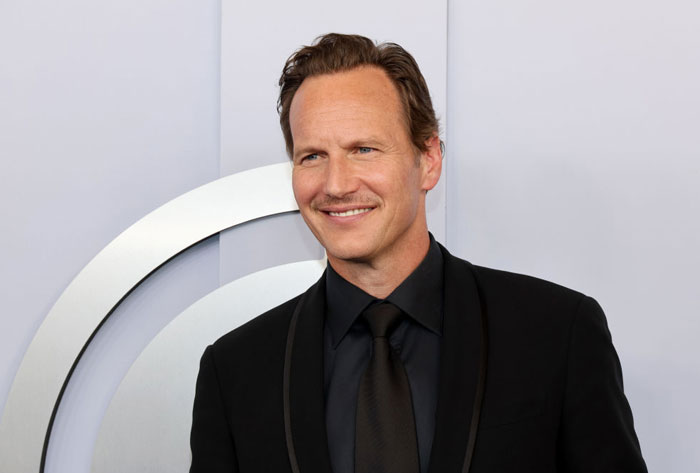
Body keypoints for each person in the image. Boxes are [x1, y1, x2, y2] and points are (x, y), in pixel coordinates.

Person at [189, 33, 647, 473]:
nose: (336, 184)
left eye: (363, 149)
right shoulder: (236, 371)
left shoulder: (556, 335)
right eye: (312, 156)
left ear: (428, 160)